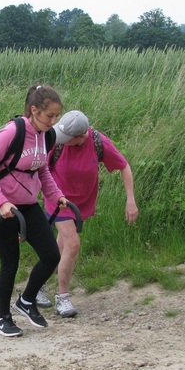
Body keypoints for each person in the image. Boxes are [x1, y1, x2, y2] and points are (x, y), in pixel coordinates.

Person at [0, 84, 68, 337]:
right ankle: (2, 318)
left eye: (56, 116)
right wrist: (1, 201)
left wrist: (56, 195)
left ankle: (26, 300)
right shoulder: (11, 133)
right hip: (0, 207)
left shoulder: (46, 135)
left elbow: (41, 169)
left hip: (27, 205)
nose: (53, 121)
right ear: (34, 110)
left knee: (51, 255)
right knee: (10, 263)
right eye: (49, 115)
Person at [41, 110, 139, 317]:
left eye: (67, 139)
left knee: (59, 246)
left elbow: (124, 166)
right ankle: (62, 298)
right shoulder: (55, 142)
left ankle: (36, 287)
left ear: (81, 136)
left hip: (81, 203)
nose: (62, 140)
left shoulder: (97, 141)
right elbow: (40, 168)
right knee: (73, 244)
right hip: (57, 200)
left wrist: (130, 200)